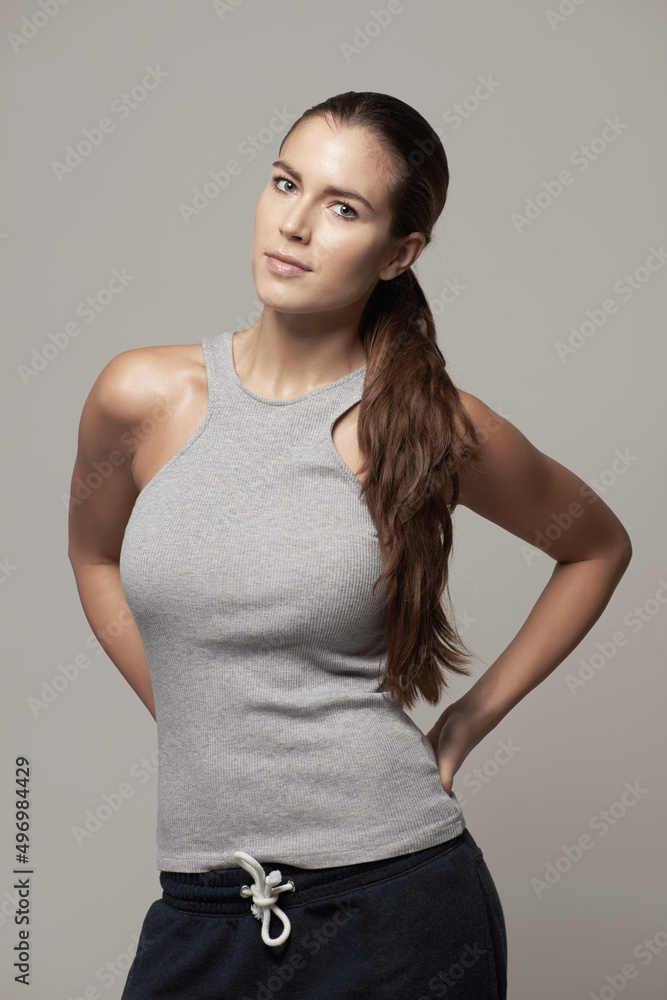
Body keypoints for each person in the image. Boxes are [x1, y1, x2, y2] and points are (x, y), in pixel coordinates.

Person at [67, 91, 632, 999]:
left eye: (342, 207)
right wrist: (181, 707)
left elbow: (595, 546)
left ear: (398, 253)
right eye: (285, 182)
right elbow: (93, 558)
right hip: (201, 909)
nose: (292, 224)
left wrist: (463, 723)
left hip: (397, 910)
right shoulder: (141, 395)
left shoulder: (426, 424)